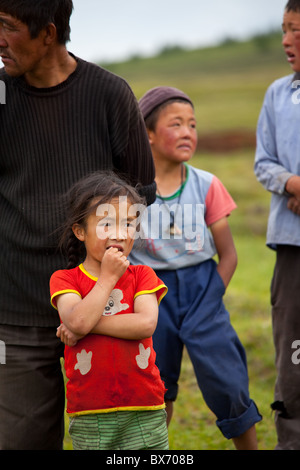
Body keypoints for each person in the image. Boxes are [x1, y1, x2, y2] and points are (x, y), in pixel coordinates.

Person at [0, 0, 156, 450]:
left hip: (107, 304)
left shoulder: (109, 93)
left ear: (47, 34)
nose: (0, 40)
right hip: (18, 306)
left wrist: (100, 292)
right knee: (21, 440)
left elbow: (141, 194)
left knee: (116, 441)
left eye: (8, 27)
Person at [129, 86, 262, 450]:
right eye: (176, 124)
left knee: (228, 381)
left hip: (203, 289)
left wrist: (210, 300)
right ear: (149, 135)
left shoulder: (207, 185)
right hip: (149, 296)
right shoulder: (128, 191)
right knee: (156, 384)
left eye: (193, 124)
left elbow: (229, 255)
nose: (188, 132)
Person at [50, 171, 168, 451]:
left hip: (145, 407)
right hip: (90, 411)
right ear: (80, 231)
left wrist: (83, 325)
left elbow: (145, 324)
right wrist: (107, 278)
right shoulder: (65, 280)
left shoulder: (142, 275)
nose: (118, 233)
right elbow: (76, 319)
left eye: (127, 224)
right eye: (106, 224)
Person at [254, 0, 300, 450]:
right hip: (292, 243)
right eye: (285, 30)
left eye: (296, 30)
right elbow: (263, 161)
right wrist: (291, 182)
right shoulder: (277, 94)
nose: (286, 41)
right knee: (294, 348)